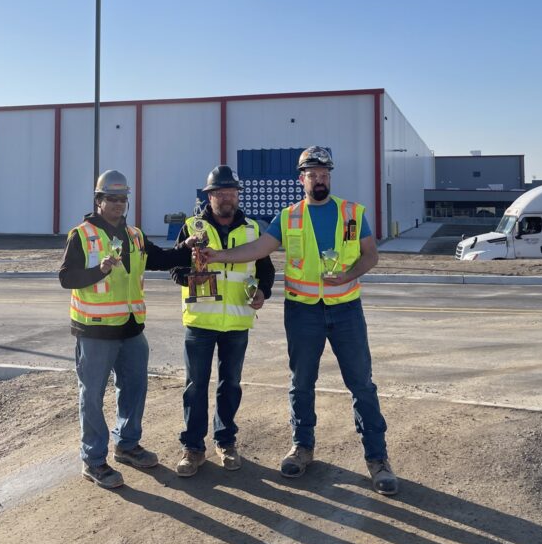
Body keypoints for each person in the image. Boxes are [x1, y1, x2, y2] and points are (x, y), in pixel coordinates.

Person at [201, 146, 398, 495]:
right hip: (303, 311)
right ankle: (302, 447)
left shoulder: (352, 213)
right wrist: (220, 256)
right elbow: (259, 249)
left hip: (346, 309)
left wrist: (350, 274)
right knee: (301, 383)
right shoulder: (288, 217)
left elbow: (371, 255)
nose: (319, 179)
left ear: (329, 178)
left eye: (324, 174)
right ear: (301, 179)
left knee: (362, 384)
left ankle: (377, 459)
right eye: (313, 174)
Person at [59, 169, 197, 489]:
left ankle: (127, 444)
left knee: (134, 389)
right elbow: (67, 278)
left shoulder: (134, 235)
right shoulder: (81, 235)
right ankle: (94, 461)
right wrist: (99, 270)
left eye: (123, 199)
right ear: (98, 201)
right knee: (91, 396)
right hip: (94, 331)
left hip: (131, 328)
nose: (119, 204)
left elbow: (160, 259)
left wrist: (186, 247)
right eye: (112, 199)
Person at [170, 165, 276, 477]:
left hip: (238, 323)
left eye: (231, 192)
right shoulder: (193, 226)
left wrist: (263, 293)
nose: (226, 197)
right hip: (201, 321)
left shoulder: (253, 230)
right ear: (209, 196)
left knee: (230, 385)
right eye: (220, 192)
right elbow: (175, 268)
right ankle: (193, 448)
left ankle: (226, 441)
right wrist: (192, 276)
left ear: (237, 195)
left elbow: (265, 270)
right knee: (195, 386)